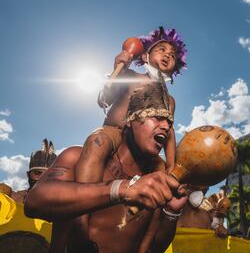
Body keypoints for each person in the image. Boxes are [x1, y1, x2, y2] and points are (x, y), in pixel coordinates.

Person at [25, 83, 188, 253]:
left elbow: (155, 249)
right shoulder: (77, 158)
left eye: (170, 122)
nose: (166, 126)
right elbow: (34, 203)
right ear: (131, 119)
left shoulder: (155, 181)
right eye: (158, 117)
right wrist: (122, 190)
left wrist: (172, 213)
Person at [75, 27, 187, 192]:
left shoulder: (170, 101)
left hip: (145, 143)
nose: (168, 55)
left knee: (161, 170)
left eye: (173, 55)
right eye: (161, 49)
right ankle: (82, 199)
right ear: (144, 56)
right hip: (115, 132)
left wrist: (171, 165)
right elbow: (104, 99)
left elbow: (168, 131)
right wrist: (118, 70)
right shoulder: (131, 76)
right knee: (98, 142)